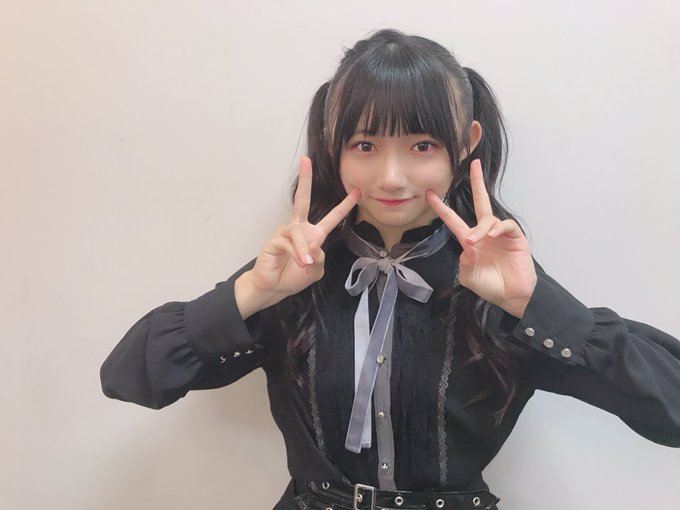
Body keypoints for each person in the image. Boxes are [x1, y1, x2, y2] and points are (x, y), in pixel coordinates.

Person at [100, 28, 680, 510]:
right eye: (365, 145)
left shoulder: (500, 282)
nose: (392, 178)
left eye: (423, 145)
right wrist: (251, 291)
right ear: (333, 146)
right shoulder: (298, 272)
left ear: (466, 142)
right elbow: (128, 378)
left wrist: (540, 308)